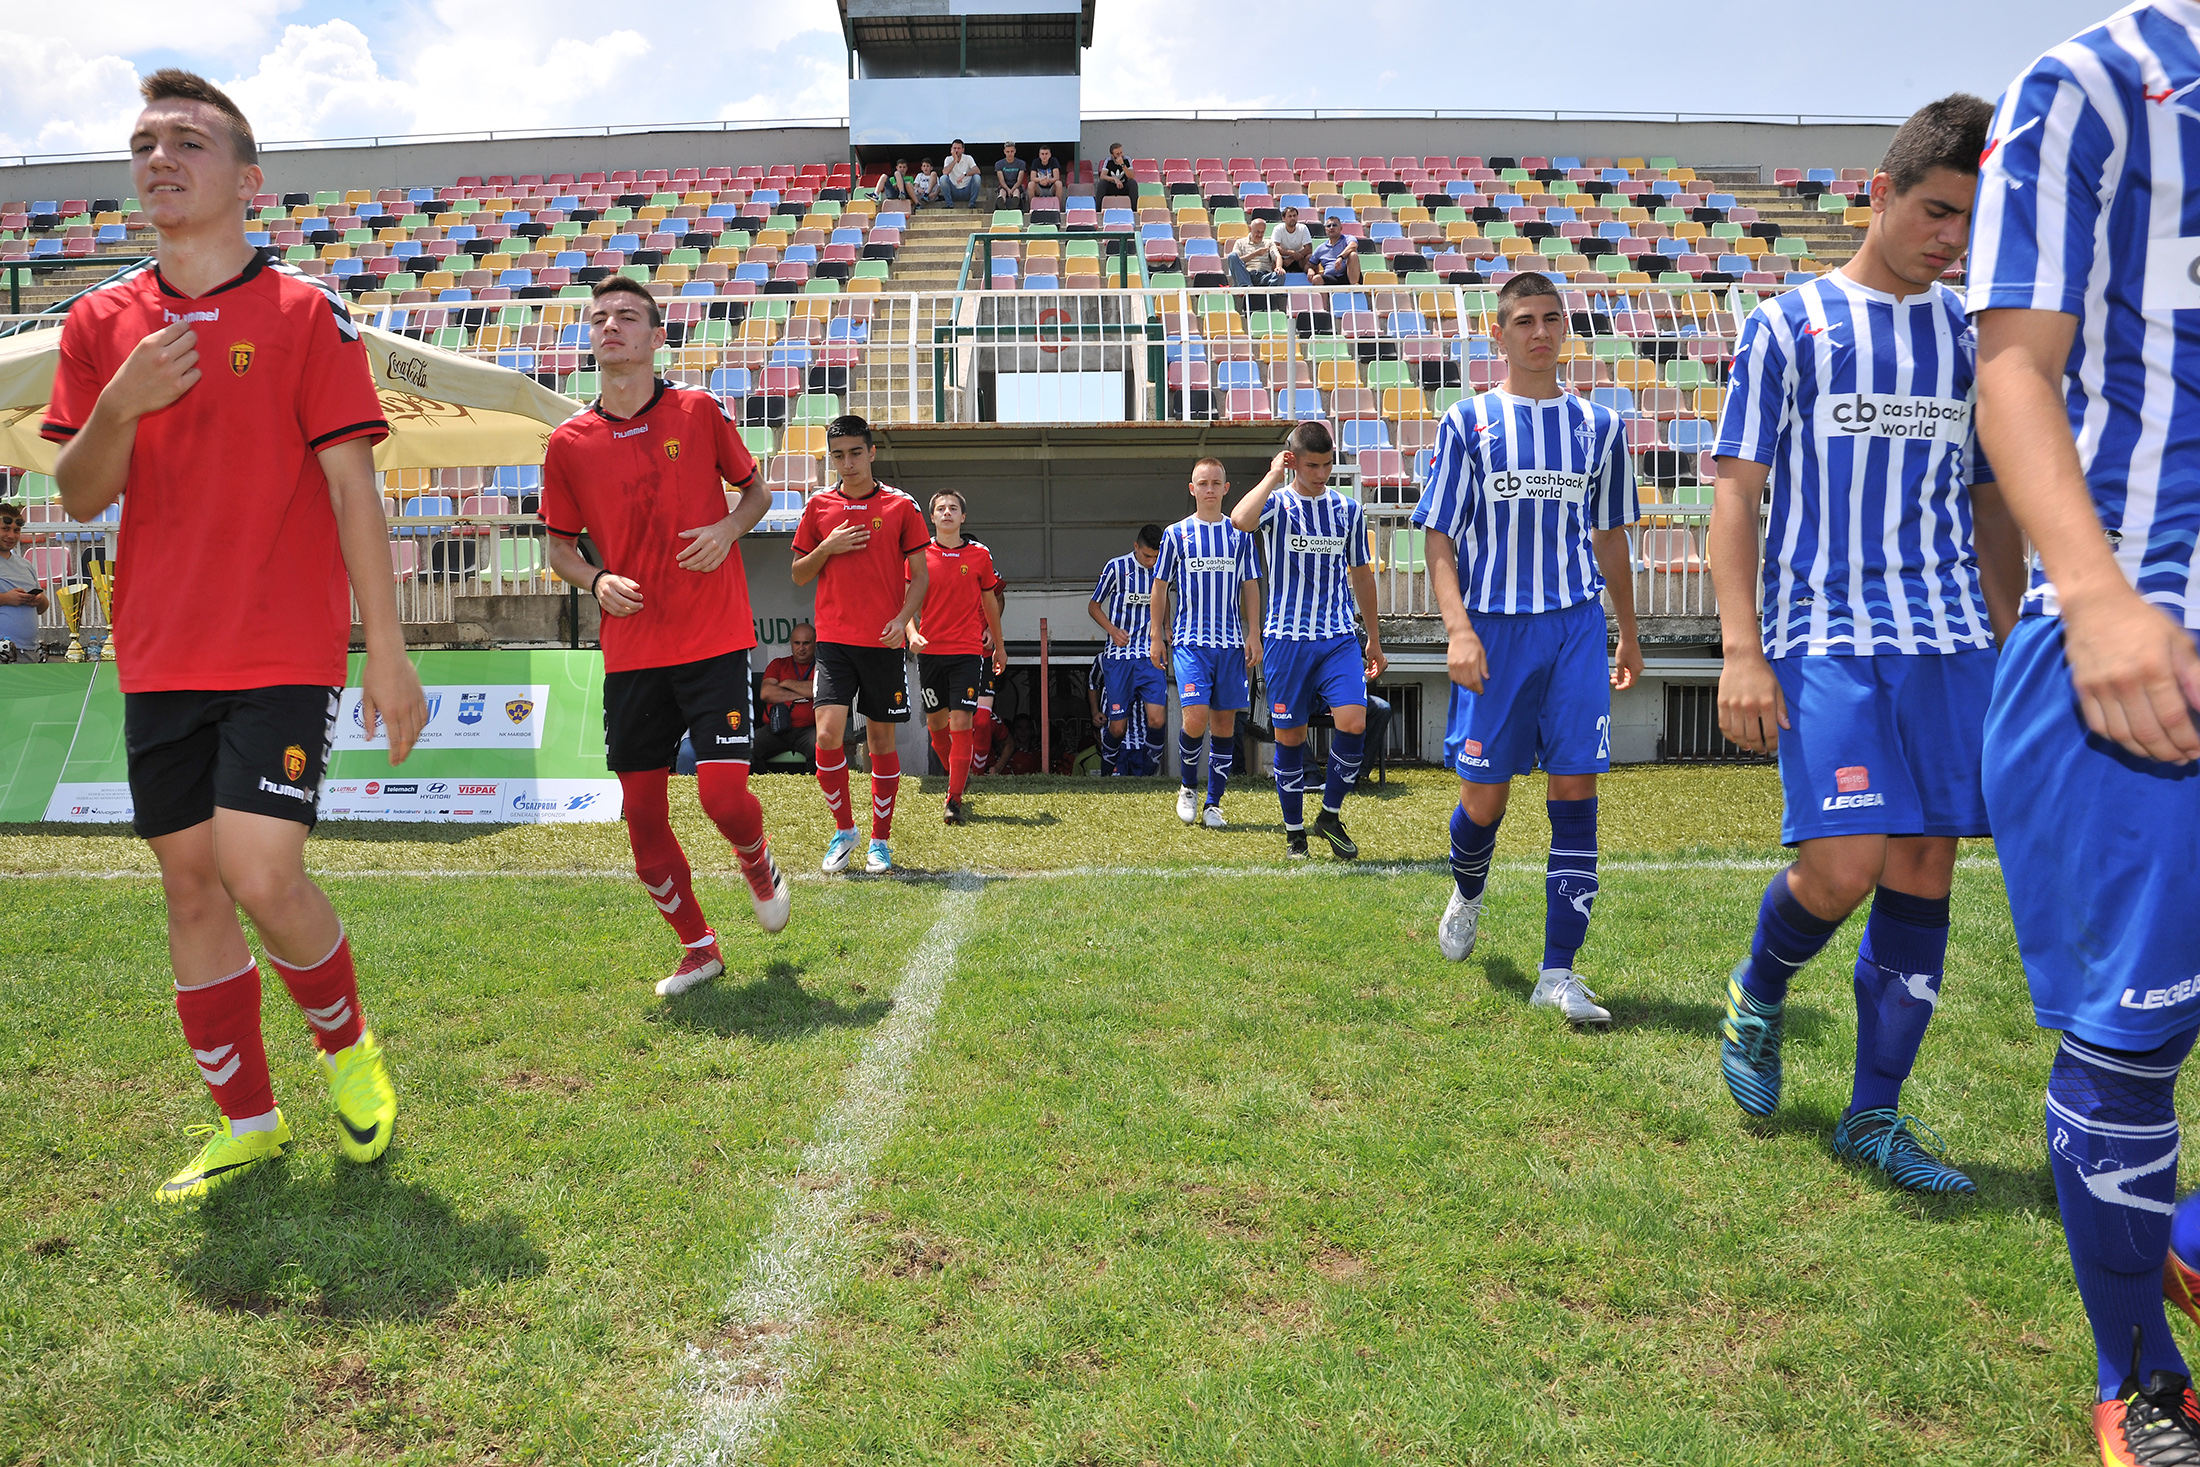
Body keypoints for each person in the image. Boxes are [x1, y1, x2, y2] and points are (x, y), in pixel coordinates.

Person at [42, 69, 422, 1203]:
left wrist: (387, 654)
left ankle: (348, 1048)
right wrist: (119, 404)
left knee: (259, 868)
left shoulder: (305, 314)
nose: (161, 157)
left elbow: (356, 491)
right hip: (158, 651)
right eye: (146, 141)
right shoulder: (98, 323)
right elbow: (75, 494)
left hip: (282, 649)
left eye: (189, 142)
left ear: (245, 179)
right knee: (192, 890)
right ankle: (246, 1123)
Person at [1711, 95, 2020, 1194]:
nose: (1949, 238)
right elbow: (1736, 495)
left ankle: (1873, 1118)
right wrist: (1739, 651)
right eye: (1935, 210)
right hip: (1823, 633)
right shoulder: (1787, 325)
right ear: (1877, 194)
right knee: (1842, 865)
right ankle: (1756, 993)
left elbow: (1990, 503)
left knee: (1926, 862)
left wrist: (2009, 631)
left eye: (1968, 224)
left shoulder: (1970, 335)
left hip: (1946, 638)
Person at [1967, 15, 2200, 1457]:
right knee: (2136, 1040)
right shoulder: (2099, 80)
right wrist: (2101, 598)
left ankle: (2173, 1234)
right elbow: (2014, 366)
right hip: (2149, 626)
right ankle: (2141, 1374)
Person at [542, 275, 789, 998]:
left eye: (626, 316)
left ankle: (756, 858)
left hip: (712, 638)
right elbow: (559, 547)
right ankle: (698, 948)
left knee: (720, 796)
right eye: (599, 319)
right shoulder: (569, 442)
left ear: (656, 338)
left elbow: (757, 493)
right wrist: (593, 580)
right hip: (633, 652)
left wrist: (727, 527)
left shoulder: (697, 410)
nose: (610, 326)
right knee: (642, 818)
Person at [1412, 270, 1642, 1031]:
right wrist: (1457, 628)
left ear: (1565, 329)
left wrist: (1628, 631)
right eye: (1522, 321)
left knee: (1575, 792)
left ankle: (1558, 973)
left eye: (1550, 319)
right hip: (1495, 630)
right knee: (1486, 800)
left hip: (1575, 626)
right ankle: (1468, 887)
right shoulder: (1466, 423)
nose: (1539, 333)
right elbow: (1439, 535)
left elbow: (1610, 536)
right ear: (1498, 334)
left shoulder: (1601, 428)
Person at [1229, 422, 1386, 859]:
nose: (1321, 473)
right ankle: (1295, 832)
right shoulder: (1276, 505)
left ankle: (1329, 815)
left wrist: (1373, 638)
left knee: (1354, 721)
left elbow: (1362, 574)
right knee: (1291, 739)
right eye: (1312, 465)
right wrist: (1272, 474)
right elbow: (1240, 520)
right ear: (1294, 460)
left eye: (1327, 464)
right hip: (1285, 641)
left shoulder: (1348, 510)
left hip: (1337, 637)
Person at [791, 414, 929, 874]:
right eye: (837, 456)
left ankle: (880, 841)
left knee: (879, 743)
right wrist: (827, 545)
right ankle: (844, 829)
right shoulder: (818, 507)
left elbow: (920, 577)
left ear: (872, 452)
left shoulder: (901, 506)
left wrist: (903, 620)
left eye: (854, 453)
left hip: (882, 643)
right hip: (833, 641)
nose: (846, 463)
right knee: (827, 735)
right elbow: (798, 574)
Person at [1150, 457, 1261, 827]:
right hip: (1189, 642)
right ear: (1192, 489)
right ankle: (1187, 787)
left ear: (1226, 489)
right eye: (1203, 483)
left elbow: (1250, 585)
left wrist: (1254, 633)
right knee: (1195, 719)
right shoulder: (1176, 534)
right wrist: (1156, 635)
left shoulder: (1240, 533)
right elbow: (1161, 586)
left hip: (1230, 644)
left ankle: (1214, 803)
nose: (1210, 489)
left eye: (1216, 483)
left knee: (1225, 725)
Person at [910, 490, 1005, 825]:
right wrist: (911, 633)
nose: (947, 512)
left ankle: (954, 798)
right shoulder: (918, 554)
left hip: (967, 652)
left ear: (963, 517)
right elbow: (904, 600)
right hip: (931, 653)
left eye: (953, 508)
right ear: (932, 518)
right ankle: (958, 776)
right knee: (937, 724)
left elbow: (991, 601)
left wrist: (999, 644)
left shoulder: (979, 555)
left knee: (962, 723)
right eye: (940, 508)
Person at [1089, 525, 1168, 776]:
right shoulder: (1116, 567)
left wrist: (1166, 629)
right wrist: (1113, 630)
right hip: (1119, 658)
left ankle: (1147, 777)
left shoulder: (1164, 567)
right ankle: (1106, 774)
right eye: (1147, 556)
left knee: (1157, 720)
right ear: (1136, 547)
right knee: (1117, 728)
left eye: (1156, 556)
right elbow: (1093, 606)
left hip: (1150, 655)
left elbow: (1163, 599)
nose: (1152, 561)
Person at [755, 621, 819, 770]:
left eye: (806, 643)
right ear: (791, 643)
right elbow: (766, 693)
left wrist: (787, 682)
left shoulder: (822, 666)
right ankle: (763, 786)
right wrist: (802, 692)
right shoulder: (778, 664)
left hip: (809, 729)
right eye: (797, 643)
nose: (801, 648)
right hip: (776, 729)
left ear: (815, 643)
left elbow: (816, 690)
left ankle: (814, 790)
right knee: (748, 746)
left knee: (820, 748)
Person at [0, 502, 48, 657]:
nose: (11, 536)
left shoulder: (25, 565)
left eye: (17, 530)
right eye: (5, 529)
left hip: (29, 651)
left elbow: (42, 608)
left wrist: (39, 600)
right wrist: (6, 599)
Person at [1309, 216, 1364, 289]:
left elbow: (1353, 245)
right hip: (1331, 278)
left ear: (1341, 228)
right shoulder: (1320, 249)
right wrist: (1310, 269)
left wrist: (1341, 257)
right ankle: (1324, 301)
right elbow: (1309, 265)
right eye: (1329, 226)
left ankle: (1354, 288)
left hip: (1347, 276)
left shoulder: (1347, 238)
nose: (1331, 227)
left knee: (1353, 254)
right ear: (1326, 229)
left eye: (1334, 225)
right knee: (1317, 279)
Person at [1227, 218, 1281, 289]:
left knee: (1280, 275)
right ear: (1250, 229)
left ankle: (1271, 293)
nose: (1259, 235)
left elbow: (1277, 256)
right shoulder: (1240, 243)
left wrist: (1279, 267)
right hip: (1247, 274)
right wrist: (1255, 254)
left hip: (1265, 275)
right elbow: (1236, 261)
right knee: (1232, 256)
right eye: (1257, 232)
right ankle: (1246, 287)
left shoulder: (1269, 243)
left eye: (1262, 232)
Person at [1271, 206, 1315, 277]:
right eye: (1289, 216)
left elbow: (1309, 248)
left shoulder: (1303, 228)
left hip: (1298, 259)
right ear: (1284, 218)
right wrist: (1291, 253)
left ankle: (1314, 282)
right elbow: (1275, 247)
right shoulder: (1278, 229)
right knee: (1273, 261)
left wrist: (1292, 258)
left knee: (1311, 258)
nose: (1292, 218)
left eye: (1294, 216)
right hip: (1282, 260)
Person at [941, 141, 982, 210]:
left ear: (963, 150)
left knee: (977, 178)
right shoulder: (948, 159)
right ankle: (949, 204)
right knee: (943, 178)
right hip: (953, 191)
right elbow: (945, 172)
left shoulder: (968, 158)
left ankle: (972, 204)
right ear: (951, 149)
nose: (956, 150)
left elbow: (977, 171)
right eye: (954, 148)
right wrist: (955, 160)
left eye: (958, 148)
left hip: (967, 190)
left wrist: (964, 174)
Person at [994, 142, 1028, 212]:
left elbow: (1019, 180)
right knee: (1002, 191)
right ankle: (1001, 203)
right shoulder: (999, 164)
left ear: (1015, 151)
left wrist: (1012, 189)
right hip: (1004, 185)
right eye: (1008, 151)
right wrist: (1008, 189)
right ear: (1004, 151)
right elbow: (1001, 180)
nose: (1010, 154)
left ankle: (1015, 203)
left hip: (1016, 185)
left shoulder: (1021, 163)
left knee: (1016, 191)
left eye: (1012, 151)